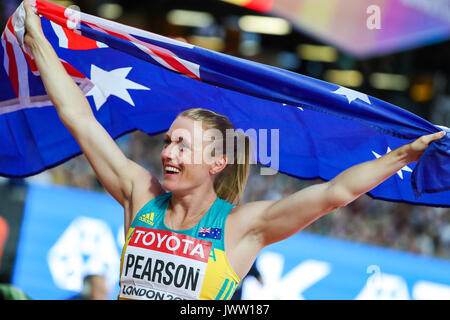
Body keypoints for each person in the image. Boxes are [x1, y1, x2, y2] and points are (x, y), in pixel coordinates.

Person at [22, 2, 446, 300]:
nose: (168, 152)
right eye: (169, 141)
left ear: (216, 162)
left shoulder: (243, 228)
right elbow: (79, 117)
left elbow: (334, 194)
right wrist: (37, 38)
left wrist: (404, 156)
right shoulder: (140, 194)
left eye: (183, 145)